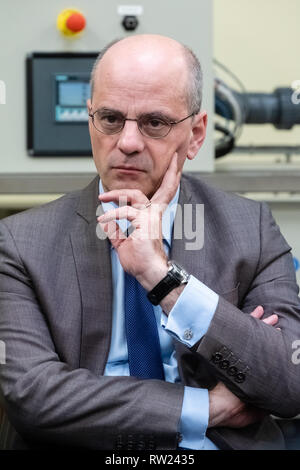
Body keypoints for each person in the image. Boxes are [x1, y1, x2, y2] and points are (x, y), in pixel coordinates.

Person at [0, 34, 300, 451]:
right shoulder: (20, 244)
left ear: (196, 135)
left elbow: (289, 379)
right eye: (110, 118)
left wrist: (164, 281)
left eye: (154, 123)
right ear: (90, 121)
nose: (127, 142)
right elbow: (33, 396)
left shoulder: (250, 228)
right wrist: (205, 407)